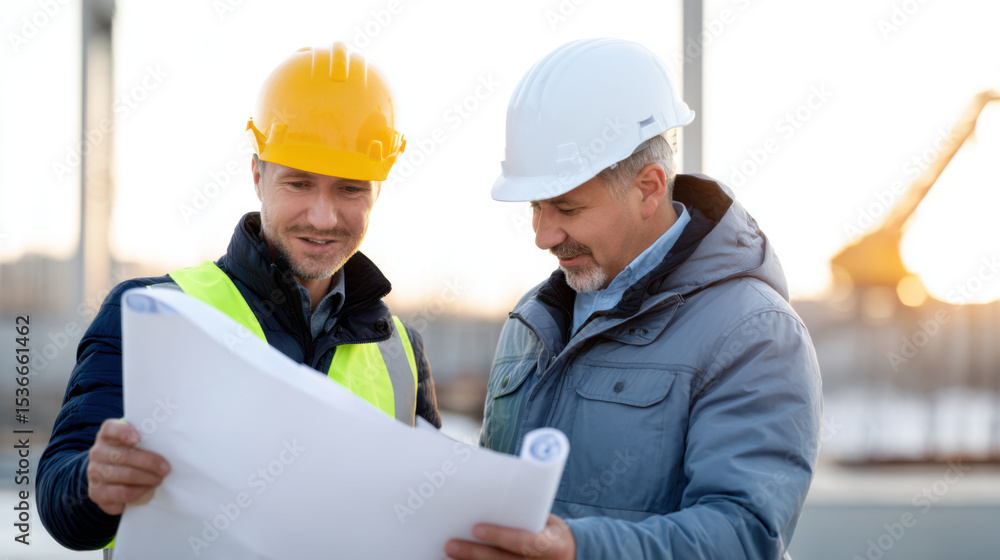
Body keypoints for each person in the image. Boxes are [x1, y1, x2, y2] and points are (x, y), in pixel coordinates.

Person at [38, 43, 441, 552]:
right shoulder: (151, 312)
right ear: (257, 175)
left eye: (350, 189)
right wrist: (93, 483)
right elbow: (60, 505)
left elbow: (426, 516)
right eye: (299, 182)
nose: (323, 216)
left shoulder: (401, 352)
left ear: (377, 191)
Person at [445, 39, 822, 560]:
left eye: (566, 208)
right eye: (535, 207)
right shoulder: (532, 321)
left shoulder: (753, 332)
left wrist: (578, 549)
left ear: (648, 188)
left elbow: (742, 537)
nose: (542, 235)